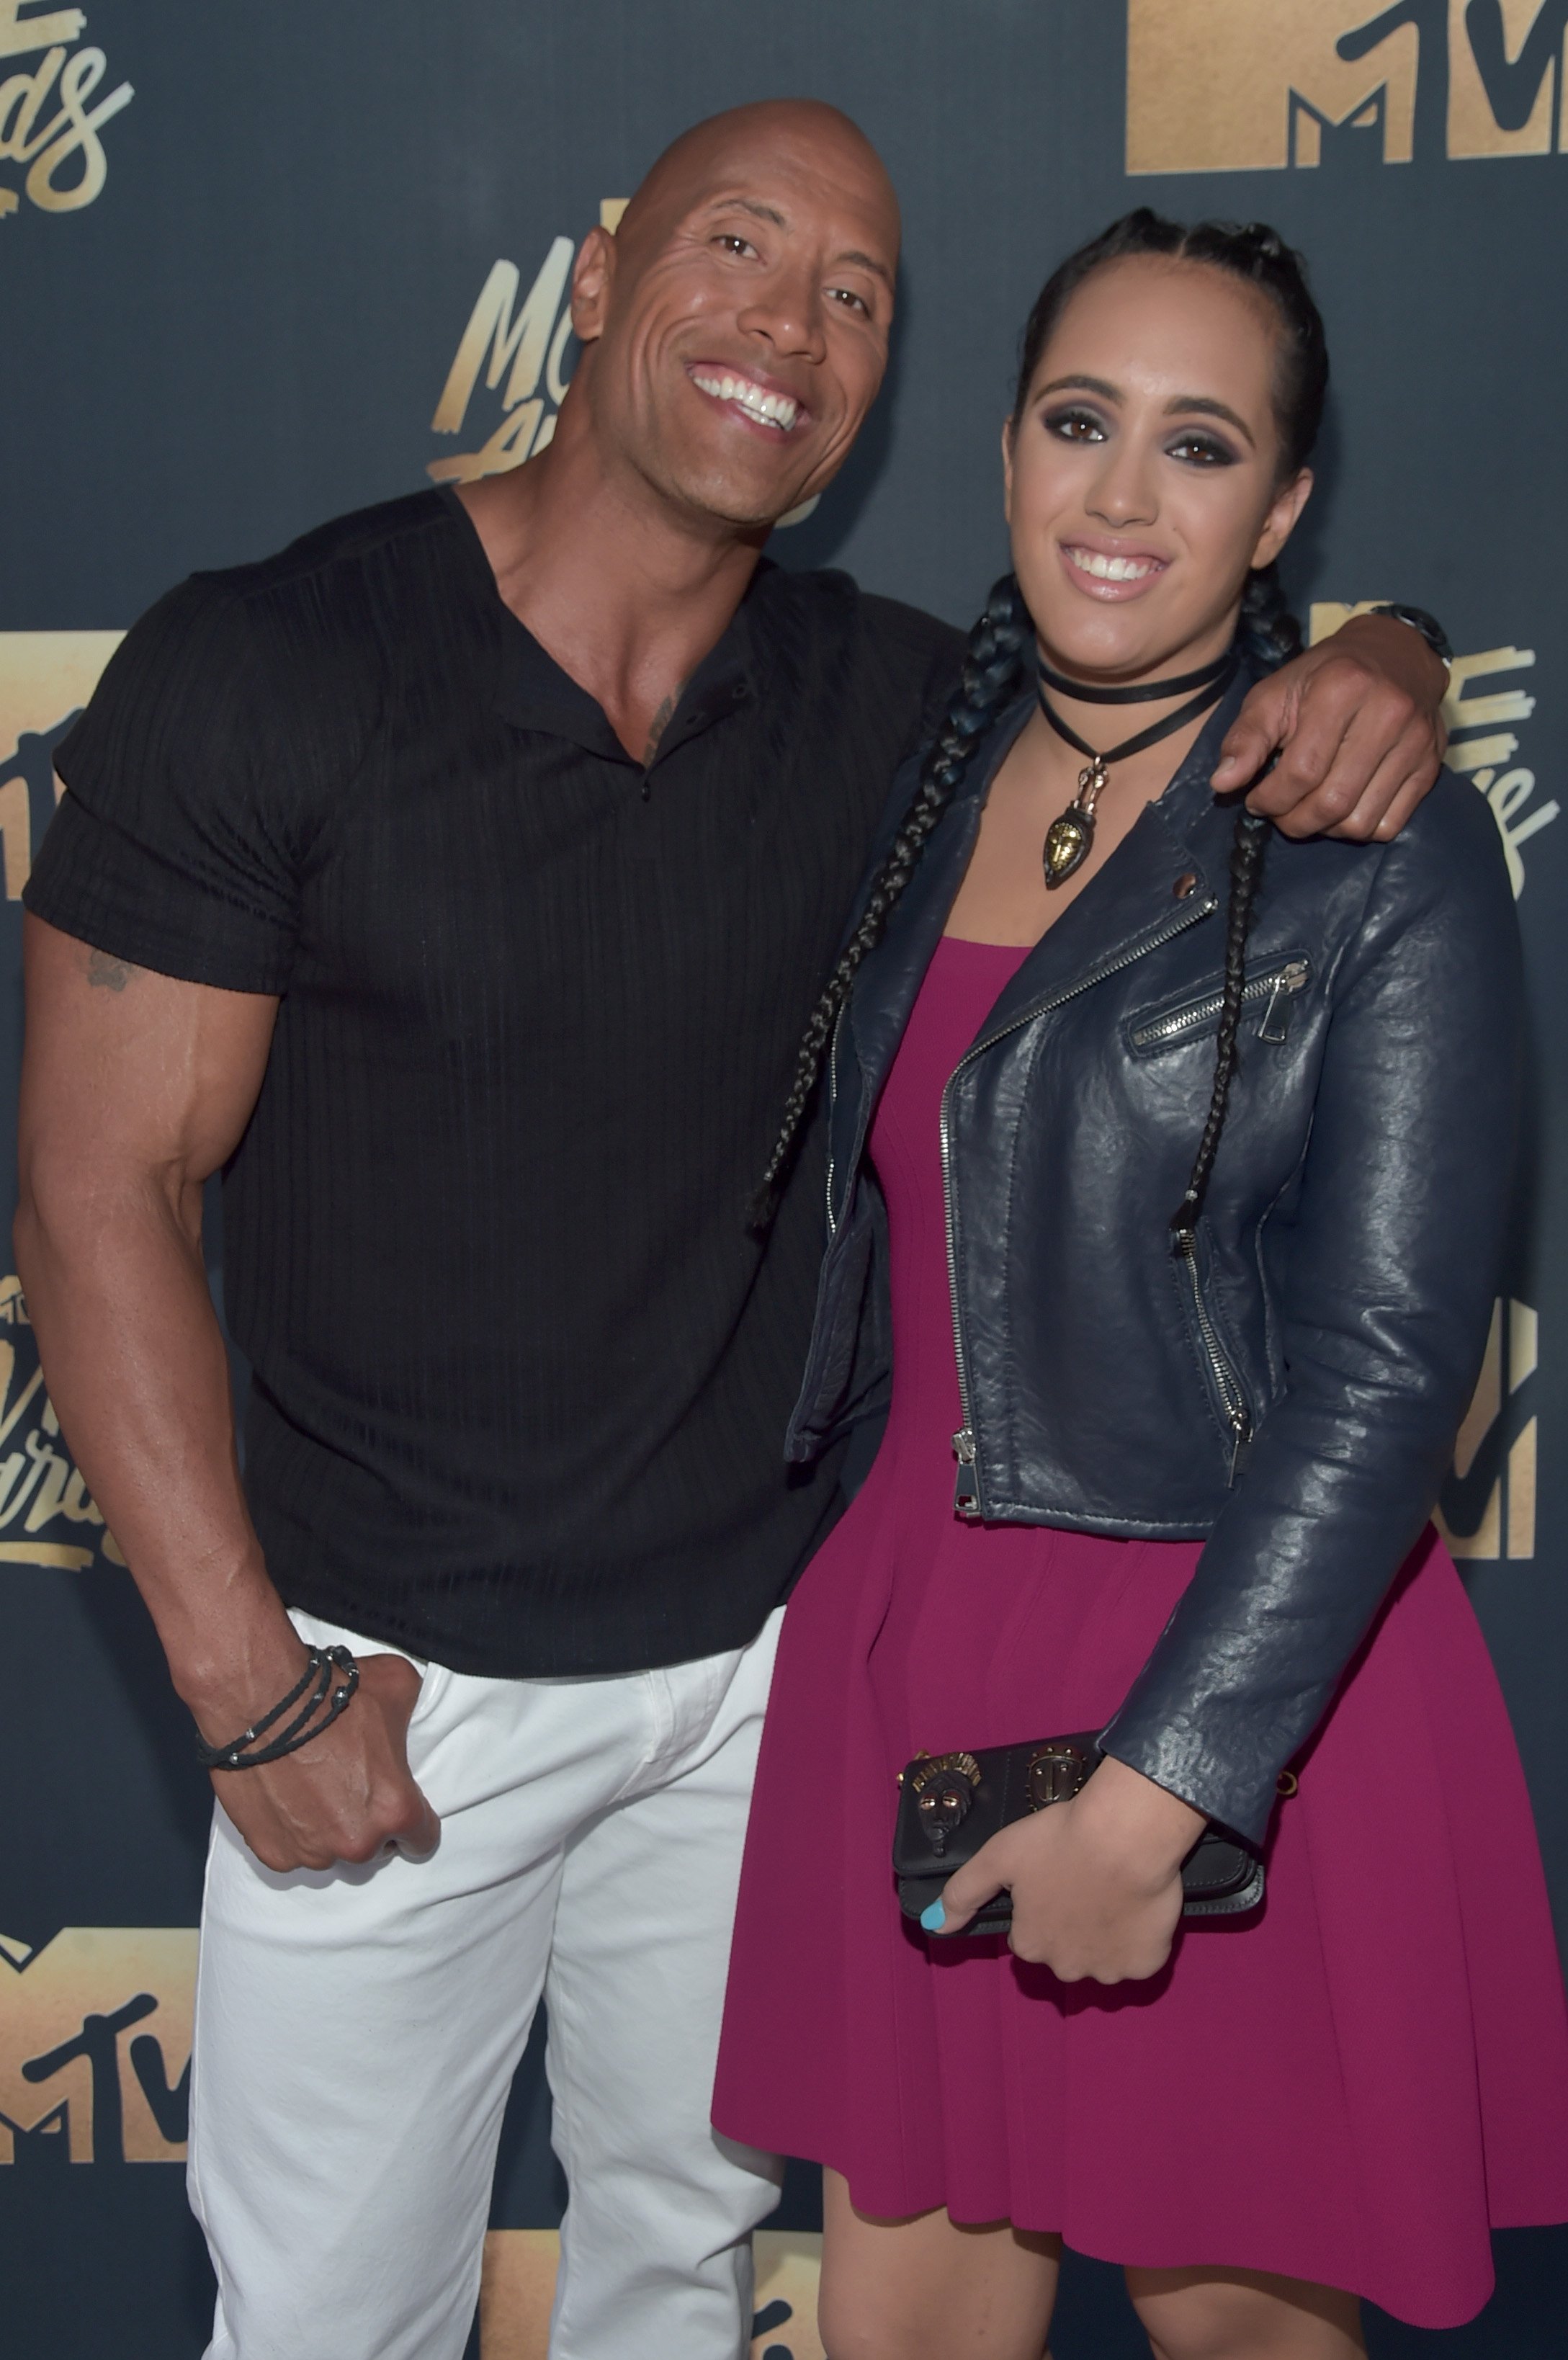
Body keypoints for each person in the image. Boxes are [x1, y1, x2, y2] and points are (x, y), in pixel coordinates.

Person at [16, 97, 1450, 2360]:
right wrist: (239, 1675)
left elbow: (1184, 695)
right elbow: (96, 1179)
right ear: (595, 279)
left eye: (857, 295)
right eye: (737, 250)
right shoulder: (268, 663)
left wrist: (1391, 647)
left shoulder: (894, 711)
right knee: (325, 2319)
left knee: (678, 2276)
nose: (787, 324)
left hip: (762, 1695)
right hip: (396, 1689)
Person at [713, 210, 1568, 2360]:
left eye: (1199, 448)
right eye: (1079, 421)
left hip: (1240, 1672)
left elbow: (1387, 1371)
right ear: (1000, 445)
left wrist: (1162, 1783)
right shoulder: (914, 765)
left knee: (1245, 2335)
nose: (1118, 494)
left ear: (1281, 508)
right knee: (901, 2327)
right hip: (910, 1641)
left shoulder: (1375, 834)